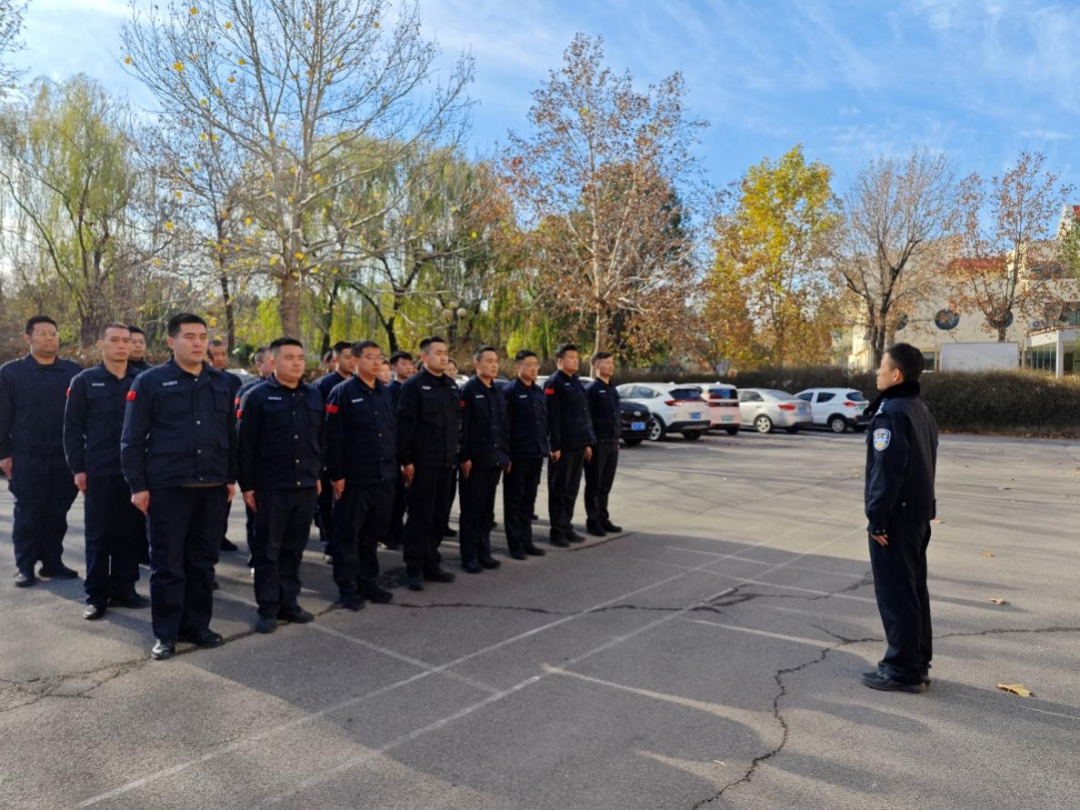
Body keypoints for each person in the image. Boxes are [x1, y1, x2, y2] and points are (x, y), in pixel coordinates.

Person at [121, 313, 238, 661]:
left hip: (212, 485)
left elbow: (232, 436)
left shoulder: (224, 382)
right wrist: (138, 486)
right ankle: (166, 633)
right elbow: (132, 438)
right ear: (171, 342)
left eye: (202, 336)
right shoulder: (150, 382)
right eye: (190, 336)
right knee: (167, 563)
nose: (198, 343)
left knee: (202, 562)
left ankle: (197, 627)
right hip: (168, 486)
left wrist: (230, 478)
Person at [862, 343, 939, 694]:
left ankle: (902, 669)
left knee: (896, 594)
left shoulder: (891, 412)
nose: (876, 372)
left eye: (882, 366)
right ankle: (917, 661)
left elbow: (887, 470)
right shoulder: (919, 409)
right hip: (918, 516)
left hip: (895, 520)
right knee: (913, 590)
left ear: (896, 374)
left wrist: (878, 518)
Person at [63, 324, 149, 619]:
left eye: (127, 340)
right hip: (98, 470)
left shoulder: (143, 380)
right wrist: (78, 468)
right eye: (115, 340)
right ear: (101, 344)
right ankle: (96, 596)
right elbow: (72, 429)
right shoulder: (85, 381)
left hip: (134, 472)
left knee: (129, 534)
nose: (122, 345)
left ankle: (125, 589)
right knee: (98, 536)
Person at [237, 338, 322, 634]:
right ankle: (268, 609)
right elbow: (245, 444)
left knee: (293, 550)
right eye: (289, 357)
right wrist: (247, 486)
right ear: (273, 362)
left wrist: (317, 474)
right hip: (271, 486)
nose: (296, 363)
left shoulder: (313, 395)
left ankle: (290, 603)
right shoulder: (257, 396)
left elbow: (320, 439)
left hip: (305, 486)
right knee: (268, 552)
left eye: (300, 357)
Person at [0, 316, 83, 587]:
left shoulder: (73, 372)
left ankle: (52, 562)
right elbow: (2, 417)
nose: (49, 338)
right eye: (42, 333)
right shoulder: (11, 373)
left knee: (57, 513)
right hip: (27, 456)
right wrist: (4, 454)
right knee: (28, 513)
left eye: (53, 333)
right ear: (28, 338)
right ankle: (24, 566)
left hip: (64, 456)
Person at [325, 340, 397, 609]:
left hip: (382, 475)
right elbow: (333, 437)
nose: (376, 362)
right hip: (353, 479)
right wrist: (336, 474)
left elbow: (391, 432)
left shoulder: (384, 392)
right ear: (355, 361)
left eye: (379, 357)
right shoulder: (342, 392)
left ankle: (369, 582)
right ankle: (347, 587)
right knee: (347, 536)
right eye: (369, 357)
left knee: (371, 535)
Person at [396, 336, 460, 591]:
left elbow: (455, 425)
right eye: (438, 353)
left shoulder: (451, 386)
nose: (443, 357)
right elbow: (405, 427)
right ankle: (414, 567)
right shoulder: (413, 386)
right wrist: (406, 460)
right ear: (424, 357)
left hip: (446, 463)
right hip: (422, 464)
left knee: (439, 517)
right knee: (419, 517)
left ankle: (432, 562)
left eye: (445, 353)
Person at [458, 346, 510, 573]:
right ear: (476, 364)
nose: (494, 365)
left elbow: (503, 426)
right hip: (474, 461)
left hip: (494, 459)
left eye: (496, 361)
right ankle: (468, 555)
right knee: (472, 510)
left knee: (487, 511)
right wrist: (464, 456)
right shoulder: (468, 390)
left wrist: (505, 455)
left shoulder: (498, 391)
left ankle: (483, 552)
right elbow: (462, 427)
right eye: (488, 361)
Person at [544, 343, 595, 547]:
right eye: (571, 358)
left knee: (572, 489)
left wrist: (587, 442)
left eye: (577, 357)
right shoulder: (554, 382)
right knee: (559, 489)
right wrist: (554, 446)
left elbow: (584, 414)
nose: (575, 361)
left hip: (579, 444)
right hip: (563, 447)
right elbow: (552, 417)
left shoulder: (577, 382)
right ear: (560, 361)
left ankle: (566, 526)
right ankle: (557, 531)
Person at [502, 350, 548, 560]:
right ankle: (515, 544)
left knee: (528, 501)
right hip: (517, 456)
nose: (533, 368)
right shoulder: (510, 391)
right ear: (518, 367)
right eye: (529, 364)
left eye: (536, 364)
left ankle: (526, 541)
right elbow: (505, 425)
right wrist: (507, 455)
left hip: (535, 454)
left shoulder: (538, 391)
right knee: (514, 501)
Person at [313, 341, 356, 562]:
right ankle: (329, 544)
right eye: (347, 357)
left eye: (354, 357)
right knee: (329, 503)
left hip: (353, 456)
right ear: (336, 359)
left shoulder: (360, 385)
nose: (352, 361)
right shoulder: (324, 385)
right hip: (329, 453)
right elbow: (320, 424)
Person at [584, 352, 623, 537]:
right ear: (597, 366)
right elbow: (587, 418)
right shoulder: (592, 389)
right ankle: (593, 521)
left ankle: (603, 518)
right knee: (594, 485)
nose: (611, 366)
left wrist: (617, 440)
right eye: (607, 363)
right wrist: (588, 443)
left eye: (612, 362)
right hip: (597, 444)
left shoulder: (612, 389)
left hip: (612, 443)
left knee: (606, 485)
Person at [385, 351, 415, 551]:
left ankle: (399, 531)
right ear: (394, 367)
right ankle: (389, 534)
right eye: (403, 364)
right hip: (394, 451)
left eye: (410, 364)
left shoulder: (413, 388)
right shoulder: (389, 391)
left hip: (411, 450)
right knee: (393, 497)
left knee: (405, 499)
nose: (408, 367)